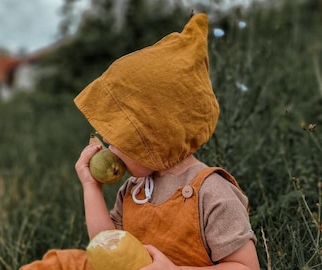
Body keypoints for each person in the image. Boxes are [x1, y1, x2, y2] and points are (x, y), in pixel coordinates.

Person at [21, 13, 260, 270]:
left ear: (155, 137)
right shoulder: (134, 190)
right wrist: (91, 187)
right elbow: (106, 248)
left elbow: (245, 266)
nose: (110, 146)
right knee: (61, 263)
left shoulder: (212, 193)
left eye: (121, 137)